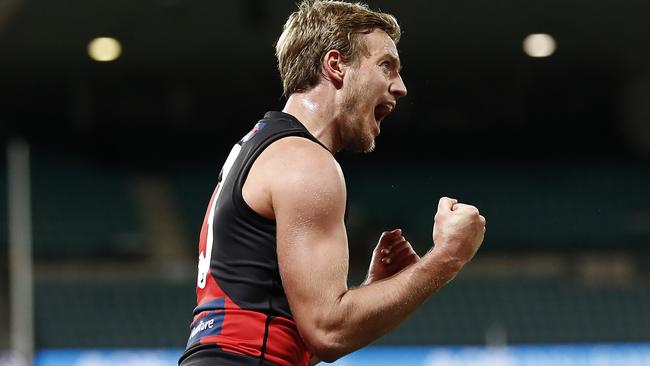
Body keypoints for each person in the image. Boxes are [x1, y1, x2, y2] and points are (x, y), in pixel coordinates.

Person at [179, 1, 486, 365]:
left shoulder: (262, 147)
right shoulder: (306, 162)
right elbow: (328, 331)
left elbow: (276, 318)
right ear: (336, 65)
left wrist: (373, 292)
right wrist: (448, 256)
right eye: (386, 65)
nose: (400, 87)